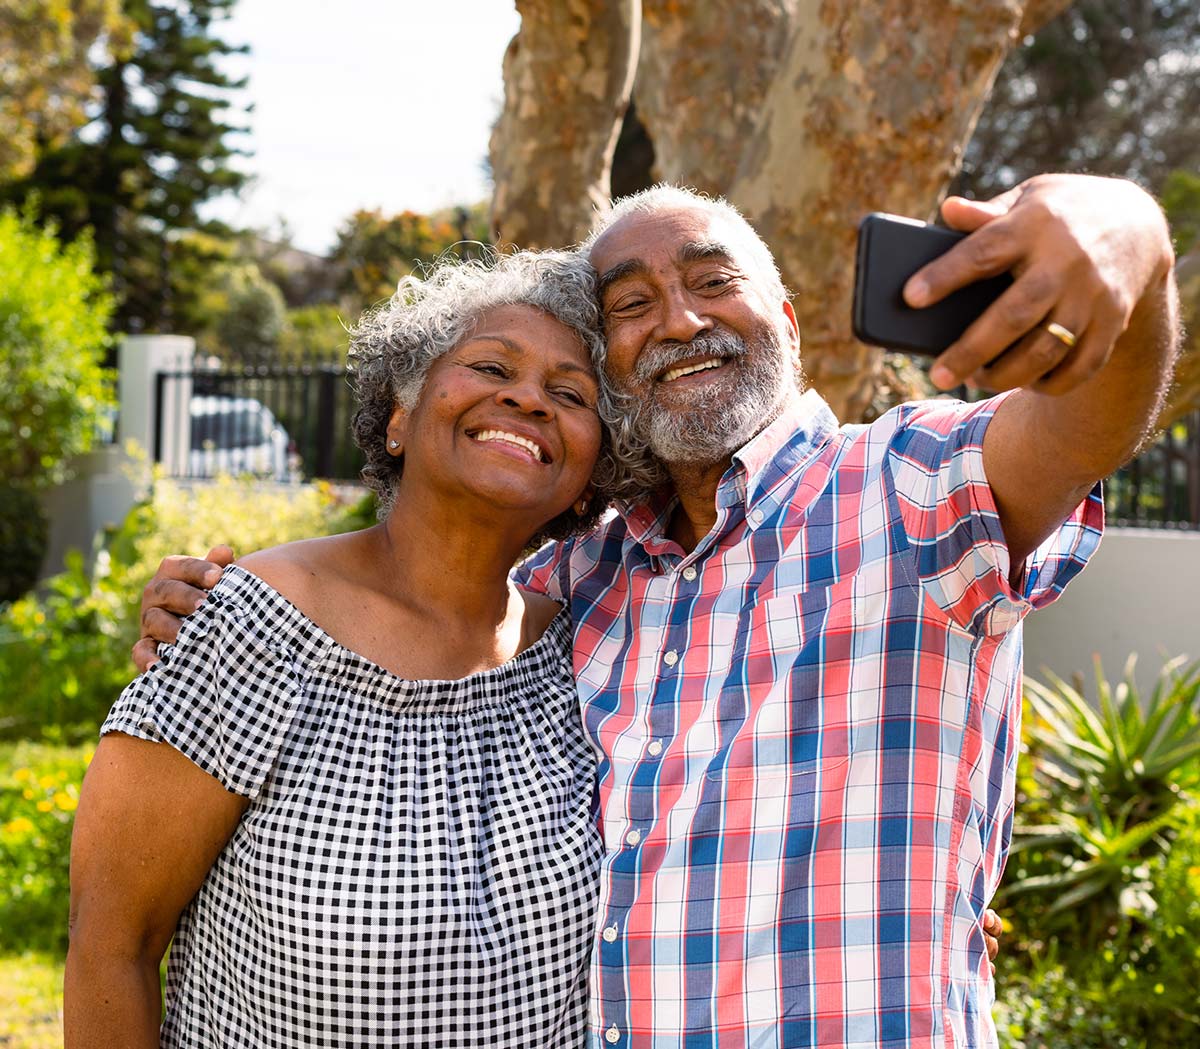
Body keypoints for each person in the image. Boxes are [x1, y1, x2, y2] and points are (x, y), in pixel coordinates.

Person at [136, 173, 1179, 1048]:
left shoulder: (909, 487)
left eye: (712, 282)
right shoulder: (575, 581)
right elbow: (408, 610)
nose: (677, 319)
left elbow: (1086, 422)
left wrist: (1135, 238)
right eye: (631, 304)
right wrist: (214, 612)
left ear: (785, 320)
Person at [66, 249, 623, 1048]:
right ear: (400, 416)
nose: (527, 397)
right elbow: (110, 944)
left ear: (590, 474)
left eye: (569, 394)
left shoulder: (585, 651)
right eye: (491, 364)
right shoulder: (250, 627)